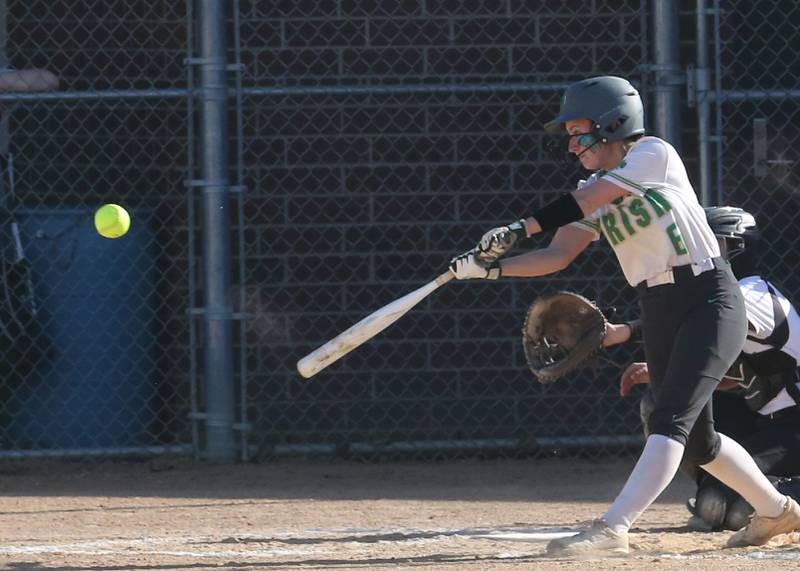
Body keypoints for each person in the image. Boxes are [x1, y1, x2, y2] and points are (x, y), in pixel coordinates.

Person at [447, 76, 800, 556]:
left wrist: (518, 226)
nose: (573, 146)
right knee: (699, 442)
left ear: (614, 125)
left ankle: (614, 528)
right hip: (657, 306)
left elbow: (588, 202)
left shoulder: (653, 154)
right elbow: (558, 254)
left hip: (708, 295)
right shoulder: (591, 188)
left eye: (580, 133)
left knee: (669, 418)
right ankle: (779, 511)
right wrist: (490, 271)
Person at [615, 206, 800, 532]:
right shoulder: (722, 300)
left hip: (793, 428)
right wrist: (668, 373)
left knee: (742, 508)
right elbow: (733, 376)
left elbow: (697, 320)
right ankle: (713, 490)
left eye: (712, 245)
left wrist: (625, 330)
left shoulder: (752, 293)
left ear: (739, 247)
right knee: (665, 402)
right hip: (763, 422)